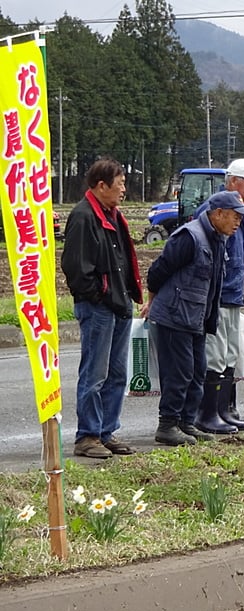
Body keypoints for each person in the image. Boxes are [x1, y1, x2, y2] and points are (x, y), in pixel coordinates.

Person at [143, 191, 244, 445]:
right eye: (235, 217)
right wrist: (152, 302)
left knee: (196, 372)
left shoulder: (218, 238)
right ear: (218, 214)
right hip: (174, 317)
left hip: (195, 319)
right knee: (178, 373)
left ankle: (186, 423)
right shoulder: (189, 237)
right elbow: (158, 271)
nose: (239, 222)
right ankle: (167, 424)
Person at [61, 159, 143, 459]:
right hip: (99, 308)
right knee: (95, 373)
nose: (123, 189)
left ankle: (107, 432)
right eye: (119, 183)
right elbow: (76, 268)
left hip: (118, 305)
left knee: (117, 374)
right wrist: (98, 296)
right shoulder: (84, 217)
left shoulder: (113, 215)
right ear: (101, 186)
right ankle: (88, 435)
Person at [196, 158, 244, 435]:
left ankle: (224, 410)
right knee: (216, 355)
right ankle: (210, 412)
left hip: (235, 295)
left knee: (230, 355)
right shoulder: (215, 211)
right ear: (233, 182)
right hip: (219, 296)